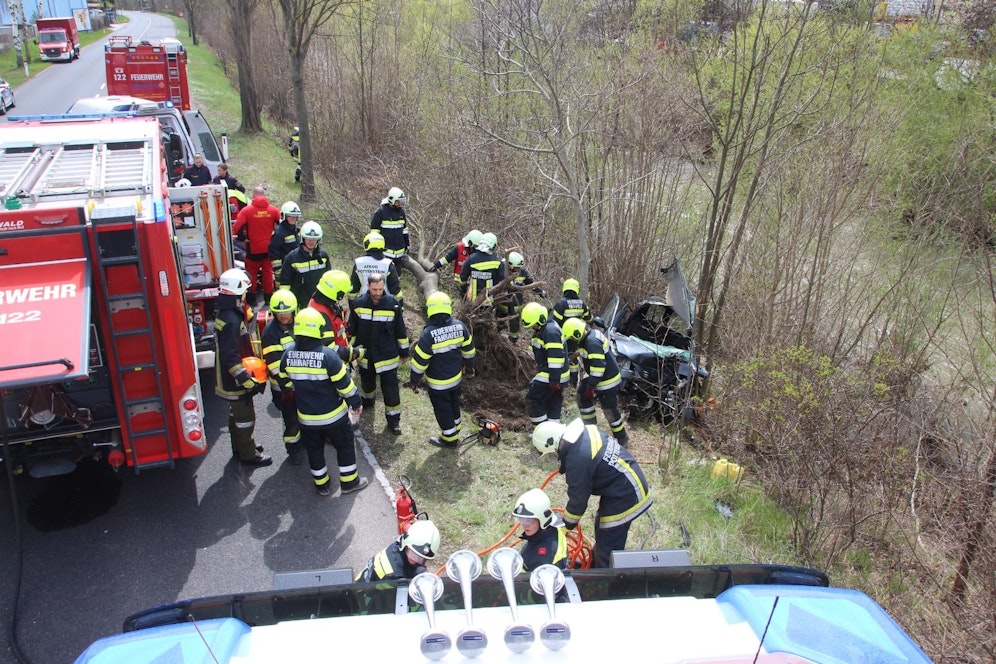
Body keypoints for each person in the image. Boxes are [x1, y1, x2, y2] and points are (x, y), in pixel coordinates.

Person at [532, 419, 652, 568]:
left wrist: (564, 526)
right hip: (625, 482)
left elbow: (578, 502)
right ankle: (594, 564)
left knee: (610, 538)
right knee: (602, 526)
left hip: (627, 492)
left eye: (553, 453)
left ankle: (605, 581)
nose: (556, 456)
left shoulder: (578, 459)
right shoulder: (585, 431)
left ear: (554, 443)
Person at [280, 307, 368, 497]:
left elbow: (285, 383)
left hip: (306, 419)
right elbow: (345, 385)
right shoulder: (328, 356)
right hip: (334, 417)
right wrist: (356, 402)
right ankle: (349, 482)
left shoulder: (287, 355)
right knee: (344, 446)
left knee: (314, 450)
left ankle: (322, 485)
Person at [214, 268, 271, 467]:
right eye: (245, 290)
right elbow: (231, 356)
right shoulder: (231, 319)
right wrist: (246, 379)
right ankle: (248, 454)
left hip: (229, 378)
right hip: (235, 380)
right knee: (245, 417)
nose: (247, 293)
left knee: (235, 416)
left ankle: (240, 447)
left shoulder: (227, 312)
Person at [408, 292, 476, 449]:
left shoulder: (428, 334)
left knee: (442, 410)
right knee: (454, 403)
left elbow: (419, 363)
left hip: (438, 383)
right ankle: (456, 428)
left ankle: (450, 439)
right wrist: (470, 368)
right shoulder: (460, 326)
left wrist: (414, 380)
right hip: (456, 378)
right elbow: (469, 351)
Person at [348, 273, 409, 435]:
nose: (377, 293)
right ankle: (368, 400)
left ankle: (394, 421)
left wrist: (404, 352)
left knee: (391, 391)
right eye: (374, 289)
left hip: (387, 356)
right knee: (367, 382)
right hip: (366, 355)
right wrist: (350, 352)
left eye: (380, 289)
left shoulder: (393, 305)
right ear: (368, 286)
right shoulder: (358, 304)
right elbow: (352, 330)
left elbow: (400, 331)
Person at [562, 318, 628, 446]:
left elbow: (598, 368)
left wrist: (590, 387)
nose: (572, 340)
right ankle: (590, 431)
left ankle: (622, 438)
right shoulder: (588, 336)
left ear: (577, 333)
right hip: (598, 377)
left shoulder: (591, 342)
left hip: (607, 381)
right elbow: (584, 354)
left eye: (572, 338)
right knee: (582, 397)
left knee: (609, 409)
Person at [261, 291, 303, 465]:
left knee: (305, 417)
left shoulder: (300, 324)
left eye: (287, 311)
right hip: (284, 389)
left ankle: (305, 442)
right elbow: (274, 365)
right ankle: (293, 450)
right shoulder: (270, 333)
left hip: (301, 383)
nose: (284, 315)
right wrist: (288, 387)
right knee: (291, 421)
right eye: (279, 312)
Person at [520, 302, 568, 426]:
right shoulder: (543, 329)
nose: (533, 328)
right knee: (552, 403)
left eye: (534, 325)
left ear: (540, 319)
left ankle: (541, 430)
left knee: (532, 400)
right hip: (555, 373)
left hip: (554, 373)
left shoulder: (550, 331)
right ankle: (554, 431)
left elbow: (556, 358)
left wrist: (554, 381)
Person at [232, 186, 281, 305]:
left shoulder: (246, 211)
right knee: (268, 272)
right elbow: (282, 226)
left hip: (253, 248)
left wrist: (241, 238)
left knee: (251, 273)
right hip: (269, 248)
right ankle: (268, 298)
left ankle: (252, 299)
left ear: (253, 196)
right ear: (264, 195)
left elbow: (237, 227)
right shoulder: (274, 210)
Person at [356, 520, 441, 582]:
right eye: (413, 555)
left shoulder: (398, 546)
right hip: (368, 595)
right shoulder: (395, 574)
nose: (416, 561)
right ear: (405, 545)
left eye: (422, 559)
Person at [512, 488, 568, 571]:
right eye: (521, 519)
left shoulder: (543, 560)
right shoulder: (553, 528)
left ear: (543, 519)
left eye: (529, 520)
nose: (524, 524)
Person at [279, 220, 330, 310]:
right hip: (299, 303)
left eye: (314, 239)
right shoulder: (292, 258)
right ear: (303, 238)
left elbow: (328, 280)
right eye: (308, 239)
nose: (311, 242)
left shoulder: (323, 256)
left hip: (319, 302)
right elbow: (285, 284)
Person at [498, 251, 544, 344]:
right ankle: (497, 338)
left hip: (515, 305)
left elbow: (530, 284)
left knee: (514, 326)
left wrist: (540, 292)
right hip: (502, 304)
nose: (518, 269)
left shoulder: (522, 273)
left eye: (520, 267)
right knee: (499, 322)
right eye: (516, 267)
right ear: (510, 265)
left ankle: (513, 341)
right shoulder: (501, 271)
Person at [309, 270, 355, 362]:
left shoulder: (323, 302)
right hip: (334, 364)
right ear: (338, 294)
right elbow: (328, 350)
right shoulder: (321, 316)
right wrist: (350, 353)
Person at [553, 278, 593, 381]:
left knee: (562, 357)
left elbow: (554, 322)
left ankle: (563, 378)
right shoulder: (582, 304)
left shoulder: (561, 303)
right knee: (574, 358)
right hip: (577, 336)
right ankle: (573, 380)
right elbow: (589, 319)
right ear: (577, 290)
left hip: (563, 335)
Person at [349, 230, 401, 302]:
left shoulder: (358, 263)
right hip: (386, 305)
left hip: (363, 305)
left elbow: (353, 289)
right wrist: (399, 308)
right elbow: (395, 290)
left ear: (366, 244)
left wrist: (353, 306)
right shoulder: (388, 264)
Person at [459, 232, 504, 304]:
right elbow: (503, 283)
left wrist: (463, 291)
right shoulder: (498, 263)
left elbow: (462, 278)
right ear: (493, 246)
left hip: (472, 302)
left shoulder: (471, 259)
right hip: (491, 303)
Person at [370, 186, 409, 263]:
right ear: (392, 200)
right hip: (385, 254)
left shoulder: (401, 212)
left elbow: (404, 230)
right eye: (398, 201)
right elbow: (374, 233)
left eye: (401, 201)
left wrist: (407, 244)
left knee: (397, 275)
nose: (400, 204)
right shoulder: (381, 212)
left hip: (399, 254)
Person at [269, 201, 301, 287]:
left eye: (295, 216)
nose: (293, 218)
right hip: (285, 269)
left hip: (296, 268)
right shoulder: (279, 232)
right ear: (284, 216)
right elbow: (274, 252)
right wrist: (278, 271)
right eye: (290, 216)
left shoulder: (295, 230)